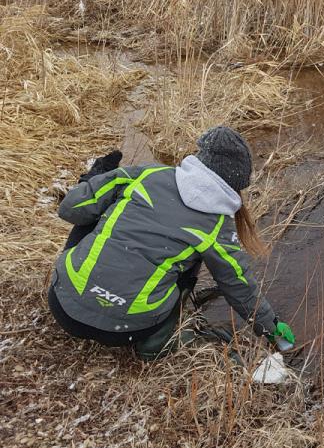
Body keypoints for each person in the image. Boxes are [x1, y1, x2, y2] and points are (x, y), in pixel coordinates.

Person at [47, 126, 295, 360]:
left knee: (94, 213)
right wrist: (272, 328)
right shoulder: (219, 226)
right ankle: (158, 340)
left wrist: (94, 178)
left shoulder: (146, 174)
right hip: (126, 330)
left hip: (64, 306)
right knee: (189, 259)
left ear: (200, 157)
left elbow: (70, 209)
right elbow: (238, 285)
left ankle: (86, 285)